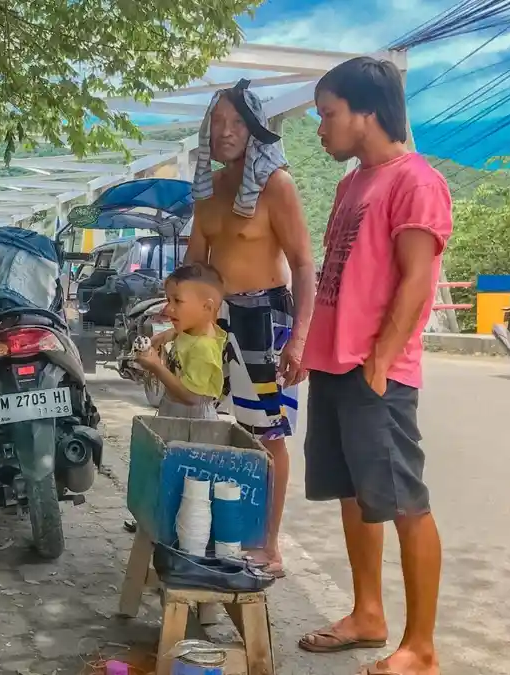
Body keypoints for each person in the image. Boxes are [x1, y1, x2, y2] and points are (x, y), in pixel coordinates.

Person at [298, 56, 450, 675]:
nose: (321, 128)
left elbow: (418, 280)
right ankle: (367, 613)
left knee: (405, 501)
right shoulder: (351, 183)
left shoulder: (416, 181)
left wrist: (382, 359)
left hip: (374, 371)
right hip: (336, 364)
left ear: (366, 113)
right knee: (355, 495)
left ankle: (421, 647)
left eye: (328, 114)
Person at [186, 78, 316, 576]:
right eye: (217, 121)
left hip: (265, 317)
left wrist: (300, 338)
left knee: (268, 435)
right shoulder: (208, 190)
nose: (225, 131)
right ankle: (225, 530)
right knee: (223, 427)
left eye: (237, 121)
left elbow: (305, 264)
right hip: (216, 317)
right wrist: (175, 318)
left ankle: (271, 545)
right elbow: (196, 265)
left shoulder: (276, 184)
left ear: (256, 127)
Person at [135, 262, 228, 419]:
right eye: (168, 300)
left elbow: (190, 396)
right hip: (175, 411)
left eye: (177, 301)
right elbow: (177, 334)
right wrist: (162, 337)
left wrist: (157, 367)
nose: (167, 308)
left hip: (193, 420)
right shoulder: (190, 331)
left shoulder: (203, 347)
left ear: (207, 307)